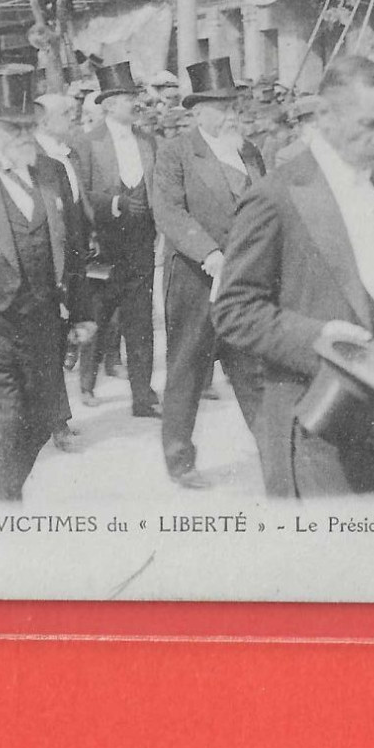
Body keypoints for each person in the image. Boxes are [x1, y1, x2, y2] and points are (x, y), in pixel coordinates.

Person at [211, 55, 374, 497]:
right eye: (369, 124)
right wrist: (318, 339)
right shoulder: (276, 196)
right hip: (321, 425)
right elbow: (234, 310)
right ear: (324, 117)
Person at [0, 69, 92, 500]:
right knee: (4, 428)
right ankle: (6, 515)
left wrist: (83, 312)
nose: (23, 135)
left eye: (28, 126)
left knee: (39, 424)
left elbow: (74, 246)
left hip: (43, 322)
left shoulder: (52, 172)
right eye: (12, 127)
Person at [151, 58, 267, 490]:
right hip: (195, 281)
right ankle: (180, 460)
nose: (229, 112)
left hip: (245, 282)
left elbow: (265, 207)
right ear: (198, 112)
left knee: (251, 367)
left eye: (231, 103)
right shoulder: (177, 151)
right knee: (187, 370)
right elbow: (168, 211)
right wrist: (210, 253)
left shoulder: (249, 151)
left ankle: (273, 447)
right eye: (219, 105)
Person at [74, 63, 159, 416]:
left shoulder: (148, 140)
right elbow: (80, 193)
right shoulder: (87, 142)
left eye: (134, 98)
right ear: (108, 105)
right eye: (127, 99)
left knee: (140, 319)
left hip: (141, 242)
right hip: (104, 243)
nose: (133, 104)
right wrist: (113, 204)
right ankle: (87, 383)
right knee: (99, 313)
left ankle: (142, 395)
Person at [33, 90, 90, 451]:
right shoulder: (36, 157)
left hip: (72, 253)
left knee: (60, 340)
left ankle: (57, 418)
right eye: (65, 112)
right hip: (45, 260)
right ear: (43, 118)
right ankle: (55, 422)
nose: (73, 115)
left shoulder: (64, 155)